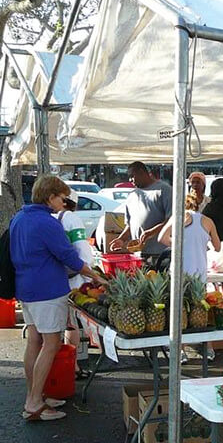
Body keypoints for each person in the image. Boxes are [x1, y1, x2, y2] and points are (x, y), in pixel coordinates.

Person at [10, 176, 105, 421]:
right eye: (62, 198)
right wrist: (96, 277)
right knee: (51, 343)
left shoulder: (19, 218)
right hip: (47, 290)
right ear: (50, 197)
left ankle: (35, 394)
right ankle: (33, 404)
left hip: (26, 288)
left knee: (34, 341)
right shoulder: (47, 223)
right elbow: (69, 257)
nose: (65, 203)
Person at [159, 192, 221, 362]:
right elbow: (217, 246)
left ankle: (179, 351)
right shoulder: (208, 221)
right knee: (201, 309)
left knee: (179, 311)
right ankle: (208, 349)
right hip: (199, 272)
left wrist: (178, 243)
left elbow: (161, 238)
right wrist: (202, 242)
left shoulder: (177, 218)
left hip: (179, 272)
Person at [55, 190, 94, 379]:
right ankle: (73, 366)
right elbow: (83, 250)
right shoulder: (71, 218)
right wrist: (91, 275)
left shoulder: (50, 217)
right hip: (72, 280)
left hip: (54, 279)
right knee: (71, 324)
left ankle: (64, 365)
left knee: (57, 326)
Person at [109, 161, 173, 265]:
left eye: (132, 176)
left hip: (160, 254)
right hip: (138, 254)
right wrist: (121, 239)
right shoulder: (132, 195)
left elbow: (172, 220)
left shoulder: (164, 190)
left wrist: (151, 232)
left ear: (142, 172)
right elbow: (130, 224)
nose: (130, 180)